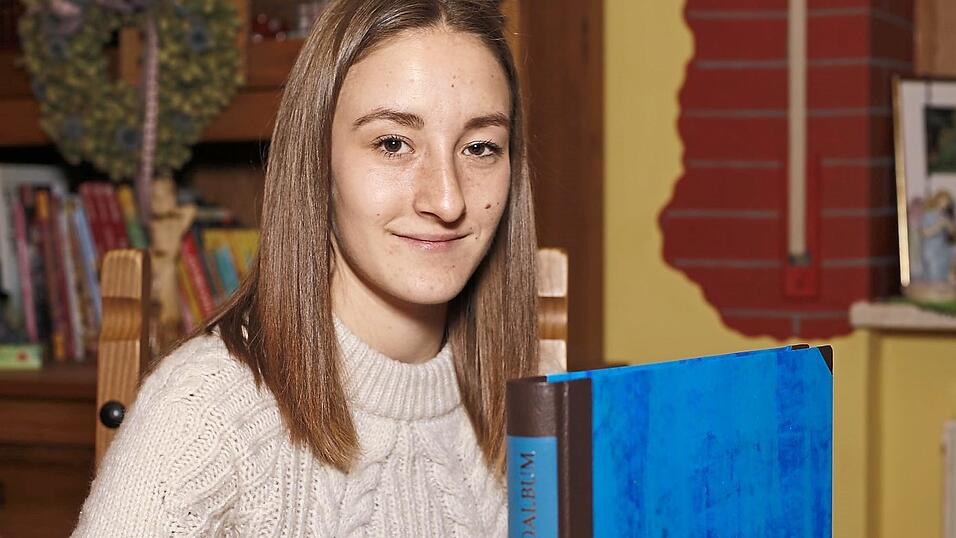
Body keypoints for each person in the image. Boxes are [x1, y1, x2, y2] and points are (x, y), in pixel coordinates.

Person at [71, 0, 540, 535]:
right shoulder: (204, 413)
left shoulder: (540, 407)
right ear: (315, 159)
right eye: (393, 143)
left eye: (481, 147)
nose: (447, 199)